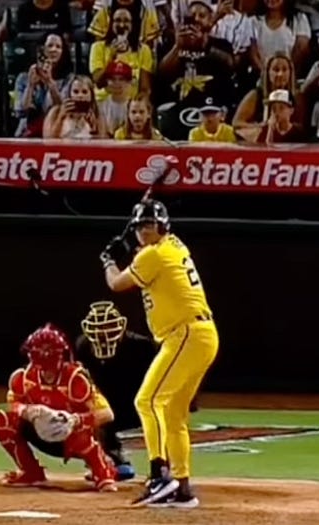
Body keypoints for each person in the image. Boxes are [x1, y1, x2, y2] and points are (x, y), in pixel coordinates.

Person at [99, 199, 218, 509]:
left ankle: (159, 476)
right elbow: (146, 262)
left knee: (147, 400)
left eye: (149, 224)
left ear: (163, 226)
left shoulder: (154, 254)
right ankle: (182, 488)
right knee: (174, 414)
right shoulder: (171, 246)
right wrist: (130, 250)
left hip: (186, 334)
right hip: (200, 335)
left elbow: (117, 283)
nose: (144, 230)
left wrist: (108, 259)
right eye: (139, 225)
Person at [0, 324, 121, 492]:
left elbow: (107, 414)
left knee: (82, 432)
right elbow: (14, 403)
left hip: (73, 437)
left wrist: (75, 420)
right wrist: (26, 411)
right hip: (39, 431)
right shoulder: (23, 378)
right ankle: (31, 472)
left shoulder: (75, 379)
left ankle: (102, 472)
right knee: (1, 422)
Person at [74, 301, 158, 481]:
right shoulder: (83, 346)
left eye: (107, 327)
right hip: (107, 407)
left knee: (161, 414)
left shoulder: (142, 347)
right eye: (98, 328)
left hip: (139, 404)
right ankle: (108, 459)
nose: (102, 333)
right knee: (85, 410)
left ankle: (161, 468)